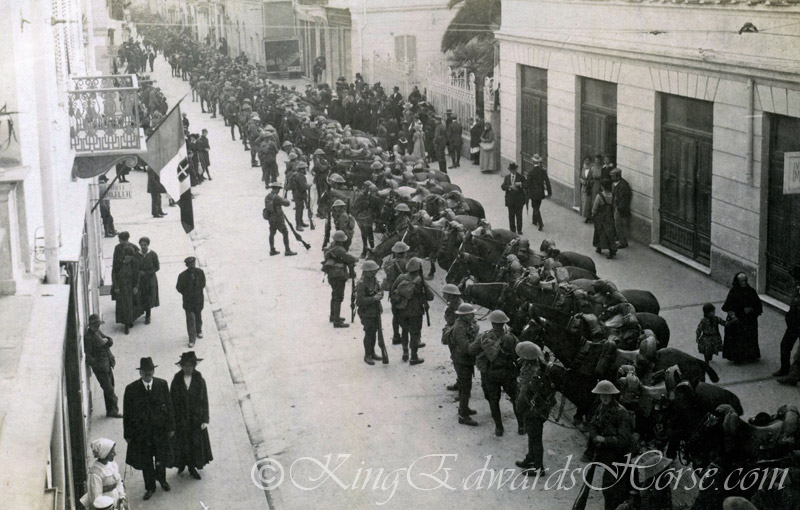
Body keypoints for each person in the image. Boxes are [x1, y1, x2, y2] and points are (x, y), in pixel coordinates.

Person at [123, 357, 175, 501]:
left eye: (150, 370)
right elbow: (127, 414)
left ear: (153, 371)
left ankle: (162, 480)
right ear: (140, 373)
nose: (148, 373)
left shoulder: (162, 384)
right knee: (146, 461)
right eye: (145, 371)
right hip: (142, 434)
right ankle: (150, 487)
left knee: (160, 458)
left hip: (160, 432)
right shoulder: (131, 389)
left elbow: (169, 407)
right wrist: (127, 434)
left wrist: (171, 427)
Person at [583, 380, 634, 510]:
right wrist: (595, 437)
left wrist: (605, 440)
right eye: (602, 395)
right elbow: (593, 424)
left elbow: (624, 440)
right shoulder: (601, 408)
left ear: (612, 396)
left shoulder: (621, 413)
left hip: (620, 457)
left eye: (607, 395)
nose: (604, 397)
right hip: (608, 456)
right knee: (610, 488)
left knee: (611, 489)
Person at [469, 309, 521, 436]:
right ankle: (522, 426)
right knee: (515, 399)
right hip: (508, 373)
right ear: (504, 324)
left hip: (490, 374)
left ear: (492, 323)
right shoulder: (512, 338)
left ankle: (499, 428)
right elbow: (519, 355)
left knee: (493, 400)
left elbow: (471, 350)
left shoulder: (483, 336)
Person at [170, 351, 213, 480]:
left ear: (194, 366)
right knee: (182, 443)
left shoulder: (200, 380)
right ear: (181, 366)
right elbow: (171, 399)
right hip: (181, 419)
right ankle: (182, 464)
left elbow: (204, 400)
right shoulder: (176, 380)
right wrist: (172, 419)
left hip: (195, 419)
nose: (187, 368)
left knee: (194, 443)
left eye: (190, 365)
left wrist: (205, 419)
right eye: (185, 366)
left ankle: (192, 467)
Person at [515, 341, 554, 476]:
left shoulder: (531, 371)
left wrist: (518, 407)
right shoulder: (537, 365)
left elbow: (523, 392)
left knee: (535, 438)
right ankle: (530, 458)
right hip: (537, 408)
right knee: (532, 435)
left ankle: (538, 468)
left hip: (533, 410)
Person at [390, 257, 432, 365]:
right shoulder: (420, 280)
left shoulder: (401, 277)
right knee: (414, 334)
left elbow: (392, 291)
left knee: (404, 330)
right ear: (419, 269)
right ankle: (414, 357)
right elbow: (430, 296)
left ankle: (405, 352)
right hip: (416, 312)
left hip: (401, 311)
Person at [84, 314, 122, 418]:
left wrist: (108, 340)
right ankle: (114, 410)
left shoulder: (98, 332)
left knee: (110, 387)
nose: (97, 327)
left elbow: (109, 340)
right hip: (101, 368)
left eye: (98, 325)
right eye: (95, 326)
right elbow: (88, 355)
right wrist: (96, 365)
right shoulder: (88, 337)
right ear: (90, 326)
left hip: (108, 363)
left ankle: (110, 411)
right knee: (109, 390)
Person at [447, 303, 479, 426]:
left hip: (464, 360)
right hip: (462, 360)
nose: (473, 315)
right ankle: (463, 416)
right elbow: (466, 347)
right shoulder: (459, 328)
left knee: (464, 386)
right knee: (465, 387)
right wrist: (479, 343)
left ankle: (464, 408)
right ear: (464, 316)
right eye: (470, 314)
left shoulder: (465, 324)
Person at [721, 272, 763, 364]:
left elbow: (758, 304)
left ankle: (750, 355)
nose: (744, 283)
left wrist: (752, 309)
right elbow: (728, 306)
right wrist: (732, 316)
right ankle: (737, 358)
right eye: (741, 281)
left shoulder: (751, 291)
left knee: (749, 337)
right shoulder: (733, 292)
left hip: (749, 320)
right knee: (737, 339)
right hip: (737, 319)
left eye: (745, 281)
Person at [322, 231, 358, 328]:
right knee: (339, 297)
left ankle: (333, 316)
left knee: (334, 294)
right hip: (338, 275)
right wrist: (356, 258)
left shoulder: (331, 246)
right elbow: (349, 258)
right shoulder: (340, 249)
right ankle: (337, 321)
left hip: (331, 274)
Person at [80, 438, 126, 510]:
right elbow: (97, 499)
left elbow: (119, 482)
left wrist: (121, 498)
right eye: (112, 452)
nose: (115, 454)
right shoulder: (95, 473)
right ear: (105, 453)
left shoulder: (112, 465)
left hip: (117, 502)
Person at [356, 260, 386, 365]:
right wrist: (374, 298)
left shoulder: (374, 280)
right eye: (373, 271)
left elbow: (379, 290)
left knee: (374, 332)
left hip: (376, 310)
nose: (375, 272)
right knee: (369, 333)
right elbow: (359, 301)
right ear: (367, 272)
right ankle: (367, 355)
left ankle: (372, 352)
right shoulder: (361, 284)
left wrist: (380, 294)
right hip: (366, 312)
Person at [775, 265, 800, 377]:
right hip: (793, 324)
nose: (793, 280)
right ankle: (785, 370)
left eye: (794, 278)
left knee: (786, 346)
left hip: (796, 323)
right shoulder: (796, 287)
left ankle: (789, 373)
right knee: (785, 346)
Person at [176, 256, 206, 348]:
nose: (192, 266)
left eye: (193, 263)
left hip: (198, 300)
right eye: (190, 264)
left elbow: (203, 283)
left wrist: (197, 291)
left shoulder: (200, 272)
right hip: (188, 301)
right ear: (187, 265)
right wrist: (187, 293)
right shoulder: (182, 276)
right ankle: (192, 339)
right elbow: (178, 287)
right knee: (190, 320)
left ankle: (199, 330)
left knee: (198, 316)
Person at [384, 241, 410, 345]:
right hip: (403, 292)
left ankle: (396, 336)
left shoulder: (390, 262)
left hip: (392, 292)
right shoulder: (406, 263)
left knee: (395, 315)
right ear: (404, 252)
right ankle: (407, 338)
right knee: (406, 315)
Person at [441, 284, 464, 392]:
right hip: (454, 334)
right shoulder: (454, 304)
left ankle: (463, 386)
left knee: (459, 360)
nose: (443, 295)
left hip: (458, 336)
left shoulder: (460, 306)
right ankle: (460, 381)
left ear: (451, 295)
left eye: (445, 294)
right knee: (455, 359)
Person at [264, 182, 297, 256]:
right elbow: (287, 204)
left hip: (271, 218)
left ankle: (272, 250)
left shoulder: (267, 196)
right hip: (278, 218)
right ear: (276, 189)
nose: (279, 190)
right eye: (278, 189)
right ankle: (287, 250)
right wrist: (284, 199)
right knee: (285, 232)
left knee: (272, 233)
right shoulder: (276, 197)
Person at [115, 245, 139, 335]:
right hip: (121, 288)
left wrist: (136, 286)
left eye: (130, 256)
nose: (128, 257)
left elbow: (137, 276)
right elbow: (114, 275)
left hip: (130, 287)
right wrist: (116, 287)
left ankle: (130, 320)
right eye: (127, 255)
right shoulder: (119, 263)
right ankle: (126, 324)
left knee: (131, 305)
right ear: (124, 255)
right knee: (124, 306)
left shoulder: (134, 263)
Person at [524, 154, 551, 231]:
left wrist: (523, 185)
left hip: (533, 193)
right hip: (540, 192)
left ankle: (540, 222)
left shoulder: (531, 172)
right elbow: (547, 182)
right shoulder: (542, 171)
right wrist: (549, 192)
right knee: (537, 206)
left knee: (535, 207)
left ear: (533, 162)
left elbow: (527, 184)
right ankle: (534, 221)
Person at [592, 179, 617, 259]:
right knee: (609, 233)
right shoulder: (613, 196)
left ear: (602, 186)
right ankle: (612, 249)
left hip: (600, 216)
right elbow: (614, 207)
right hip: (609, 216)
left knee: (599, 231)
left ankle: (599, 247)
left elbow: (595, 207)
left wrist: (593, 213)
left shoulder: (599, 196)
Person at [138, 237, 160, 325]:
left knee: (148, 297)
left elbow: (157, 267)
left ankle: (148, 316)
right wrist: (139, 272)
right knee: (140, 296)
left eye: (145, 245)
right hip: (140, 280)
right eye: (141, 245)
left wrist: (147, 273)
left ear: (148, 245)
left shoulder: (153, 254)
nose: (143, 247)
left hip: (150, 280)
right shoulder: (137, 254)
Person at [501, 162, 527, 235]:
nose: (513, 171)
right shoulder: (507, 177)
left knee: (519, 215)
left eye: (514, 170)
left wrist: (521, 184)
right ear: (510, 170)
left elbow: (526, 185)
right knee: (511, 215)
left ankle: (519, 230)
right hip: (510, 200)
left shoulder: (521, 177)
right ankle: (512, 230)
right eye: (512, 170)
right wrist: (509, 187)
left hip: (519, 200)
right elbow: (503, 186)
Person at [611, 167, 632, 248]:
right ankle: (619, 239)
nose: (611, 178)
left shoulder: (624, 185)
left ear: (618, 176)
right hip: (615, 206)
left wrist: (619, 208)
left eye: (613, 176)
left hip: (620, 208)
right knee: (617, 224)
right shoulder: (614, 184)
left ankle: (622, 242)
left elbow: (625, 198)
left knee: (619, 225)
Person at [580, 155, 594, 222]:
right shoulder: (583, 168)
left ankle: (588, 216)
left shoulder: (592, 169)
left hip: (589, 187)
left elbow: (593, 178)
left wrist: (588, 182)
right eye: (585, 160)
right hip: (583, 187)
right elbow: (580, 176)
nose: (586, 161)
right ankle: (584, 215)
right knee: (584, 201)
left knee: (588, 202)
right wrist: (582, 181)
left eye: (588, 160)